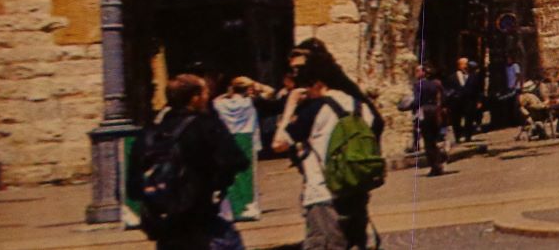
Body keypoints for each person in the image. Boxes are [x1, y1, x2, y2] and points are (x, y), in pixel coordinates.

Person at [272, 41, 383, 250]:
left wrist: (290, 106)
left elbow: (278, 144)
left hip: (323, 193)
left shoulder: (315, 109)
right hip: (355, 190)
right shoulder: (358, 105)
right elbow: (377, 127)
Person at [128, 73, 248, 250]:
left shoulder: (150, 133)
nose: (208, 98)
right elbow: (237, 160)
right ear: (195, 98)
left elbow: (133, 187)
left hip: (167, 226)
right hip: (202, 218)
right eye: (205, 93)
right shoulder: (205, 125)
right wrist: (216, 184)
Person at [212, 76, 270, 221]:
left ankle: (232, 209)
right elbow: (270, 92)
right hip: (247, 137)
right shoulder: (250, 102)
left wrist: (227, 93)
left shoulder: (219, 104)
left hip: (228, 138)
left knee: (231, 174)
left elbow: (214, 102)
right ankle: (249, 207)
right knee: (248, 174)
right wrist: (258, 85)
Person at [411, 64, 448, 175]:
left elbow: (417, 101)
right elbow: (444, 97)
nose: (416, 73)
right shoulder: (435, 84)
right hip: (436, 112)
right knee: (435, 139)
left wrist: (411, 106)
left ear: (423, 73)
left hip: (425, 113)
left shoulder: (418, 85)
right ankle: (439, 161)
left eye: (418, 71)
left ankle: (435, 166)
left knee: (428, 141)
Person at [445, 57, 481, 144]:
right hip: (457, 102)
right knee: (456, 120)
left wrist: (479, 101)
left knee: (469, 119)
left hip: (469, 101)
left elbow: (478, 89)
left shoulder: (473, 76)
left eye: (467, 64)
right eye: (464, 64)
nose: (466, 66)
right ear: (459, 65)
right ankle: (458, 136)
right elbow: (448, 90)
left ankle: (468, 136)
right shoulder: (452, 77)